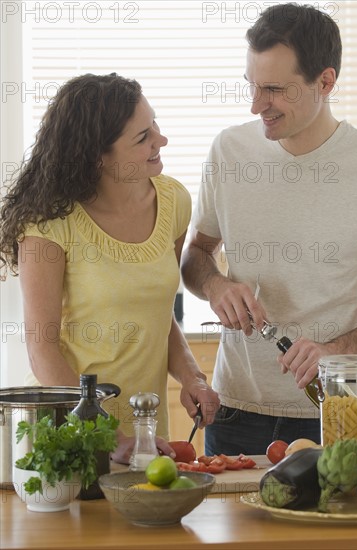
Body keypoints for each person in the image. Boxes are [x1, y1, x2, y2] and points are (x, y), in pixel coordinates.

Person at [181, 3, 357, 456]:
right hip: (235, 412)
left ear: (326, 82)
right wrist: (215, 284)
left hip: (337, 413)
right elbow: (195, 255)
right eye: (252, 86)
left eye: (274, 90)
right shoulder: (229, 151)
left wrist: (337, 350)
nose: (256, 105)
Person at [0, 73, 220, 463]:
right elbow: (42, 350)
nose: (161, 140)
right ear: (97, 157)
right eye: (142, 138)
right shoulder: (49, 224)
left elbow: (157, 313)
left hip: (145, 434)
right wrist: (108, 437)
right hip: (68, 434)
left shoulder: (173, 201)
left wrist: (193, 378)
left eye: (155, 125)